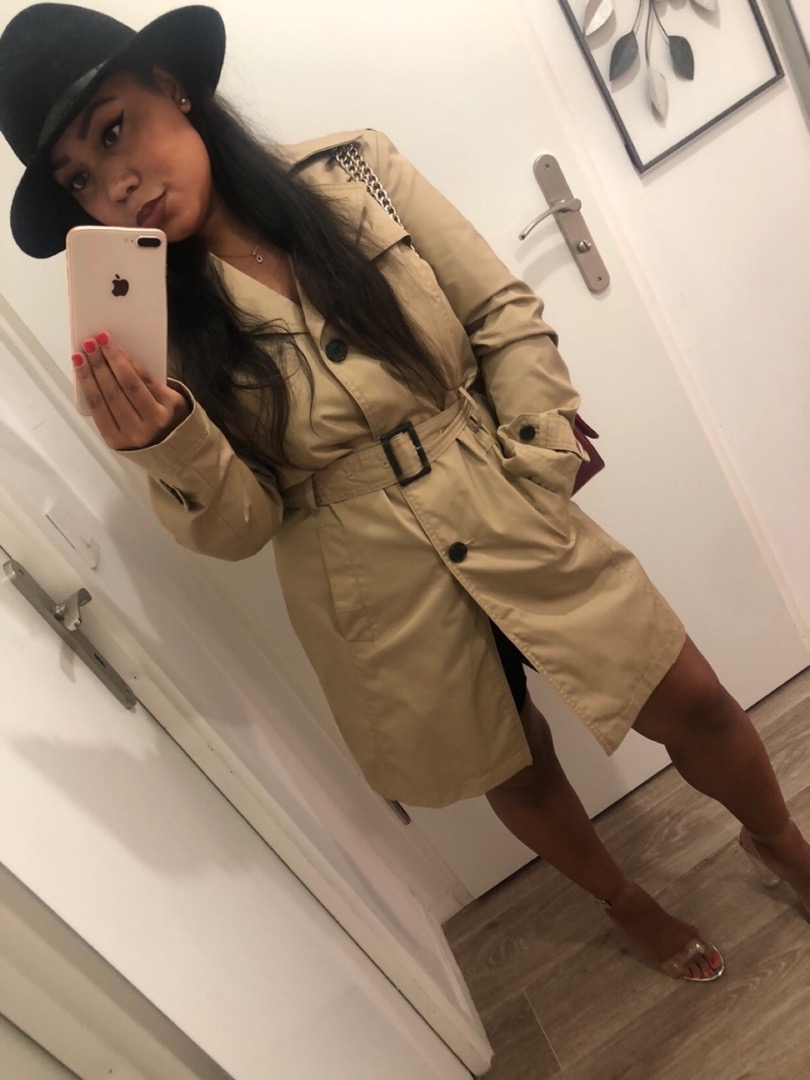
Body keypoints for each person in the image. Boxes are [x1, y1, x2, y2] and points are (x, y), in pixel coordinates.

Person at [2, 2, 808, 986]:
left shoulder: (354, 171)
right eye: (79, 179)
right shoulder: (142, 333)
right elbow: (246, 526)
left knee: (696, 701)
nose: (115, 183)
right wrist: (168, 442)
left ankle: (782, 842)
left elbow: (501, 312)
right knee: (514, 768)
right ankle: (624, 900)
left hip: (499, 495)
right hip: (365, 586)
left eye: (113, 129)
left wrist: (537, 465)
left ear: (172, 88)